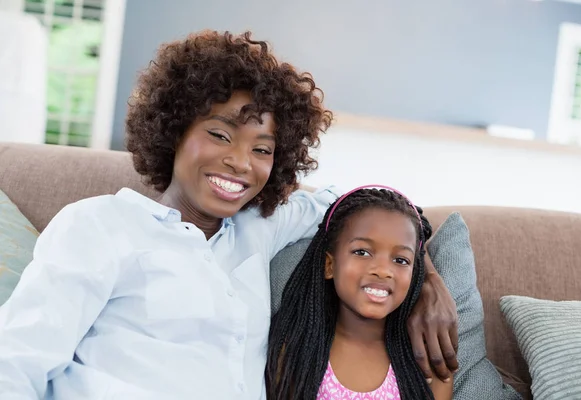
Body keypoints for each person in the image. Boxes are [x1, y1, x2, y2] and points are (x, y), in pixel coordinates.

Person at [0, 31, 456, 399]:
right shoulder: (100, 225)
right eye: (220, 135)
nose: (241, 162)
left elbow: (364, 201)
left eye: (262, 149)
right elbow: (16, 361)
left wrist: (428, 278)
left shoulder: (258, 227)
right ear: (175, 130)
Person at [266, 186, 454, 400]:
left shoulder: (426, 360)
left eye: (400, 260)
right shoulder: (296, 351)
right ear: (329, 265)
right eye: (362, 252)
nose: (383, 270)